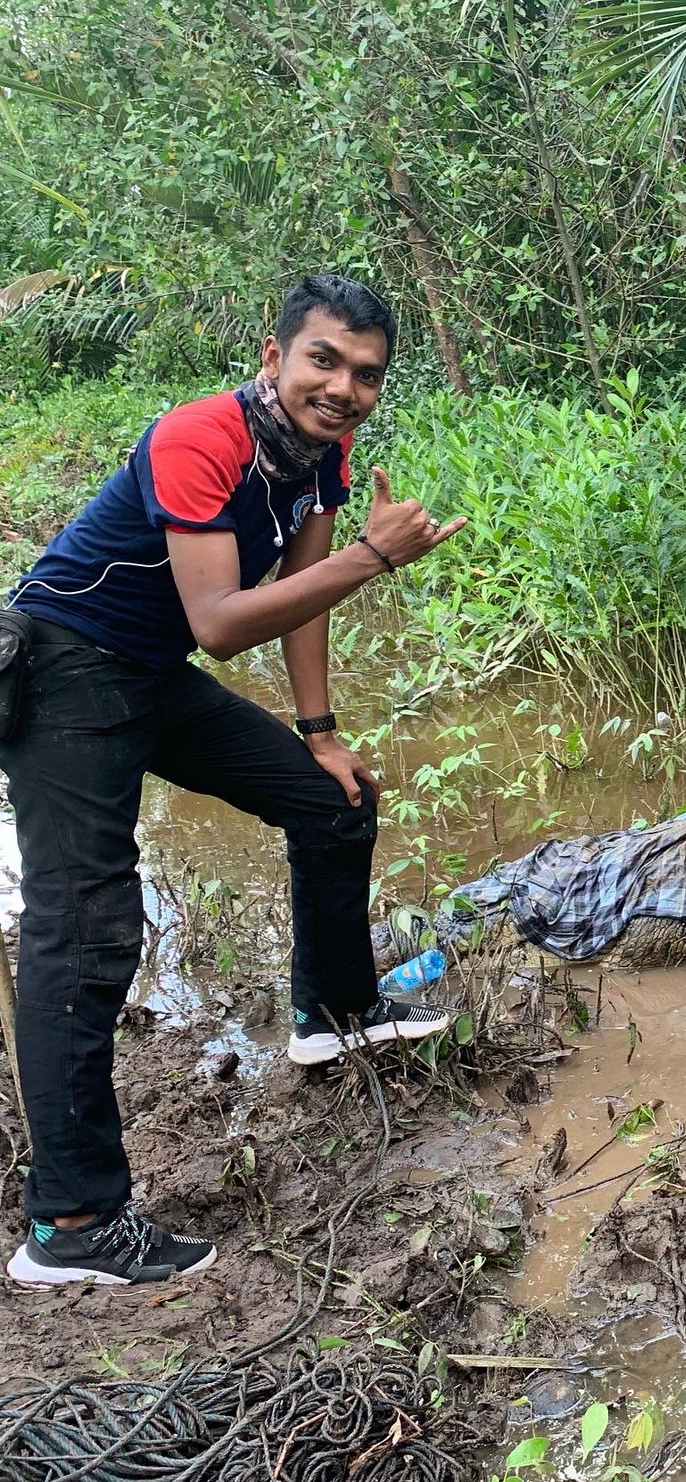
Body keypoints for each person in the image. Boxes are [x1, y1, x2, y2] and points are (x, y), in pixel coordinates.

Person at [0, 274, 467, 1286]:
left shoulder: (318, 456)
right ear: (275, 354)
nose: (342, 386)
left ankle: (332, 1019)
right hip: (65, 666)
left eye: (365, 373)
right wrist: (373, 559)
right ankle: (70, 1223)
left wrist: (321, 731)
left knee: (333, 800)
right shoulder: (199, 435)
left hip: (148, 674)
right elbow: (220, 624)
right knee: (83, 929)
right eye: (323, 361)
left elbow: (297, 599)